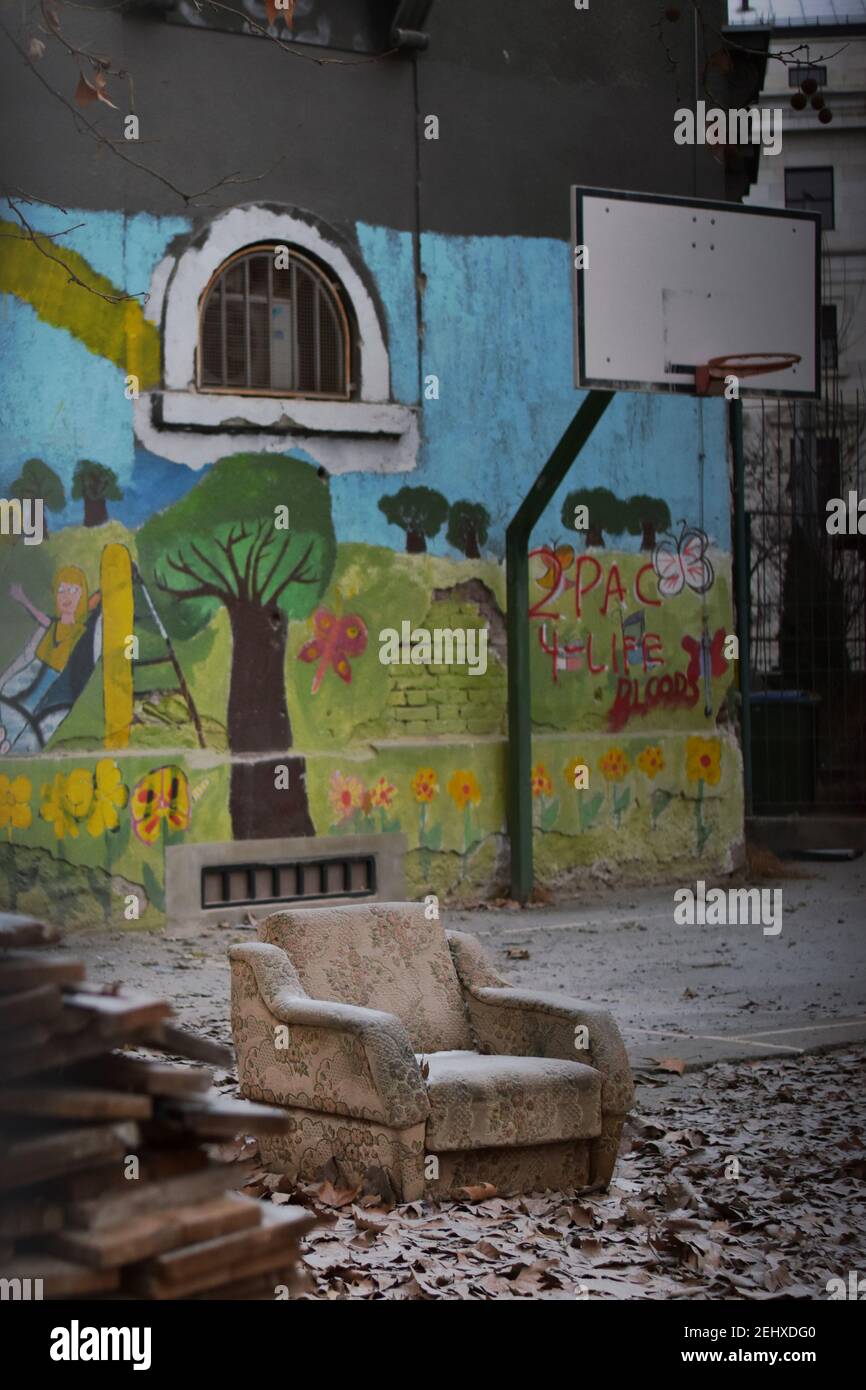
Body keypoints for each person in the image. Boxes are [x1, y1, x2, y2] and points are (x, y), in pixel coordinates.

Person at [0, 566, 97, 752]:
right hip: (35, 670)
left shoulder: (80, 630)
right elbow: (40, 618)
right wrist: (22, 599)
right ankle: (6, 735)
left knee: (29, 706)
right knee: (11, 697)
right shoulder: (54, 624)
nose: (66, 597)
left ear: (82, 595)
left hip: (52, 676)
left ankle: (9, 739)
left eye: (73, 590)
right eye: (61, 590)